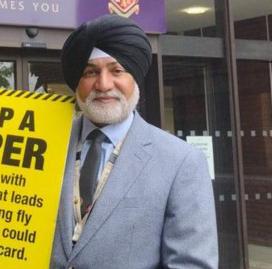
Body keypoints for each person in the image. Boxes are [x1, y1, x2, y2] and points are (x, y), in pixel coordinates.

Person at [51, 14, 218, 269]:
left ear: (135, 79)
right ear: (77, 83)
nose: (104, 84)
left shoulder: (181, 162)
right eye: (90, 72)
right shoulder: (43, 144)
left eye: (117, 70)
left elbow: (191, 264)